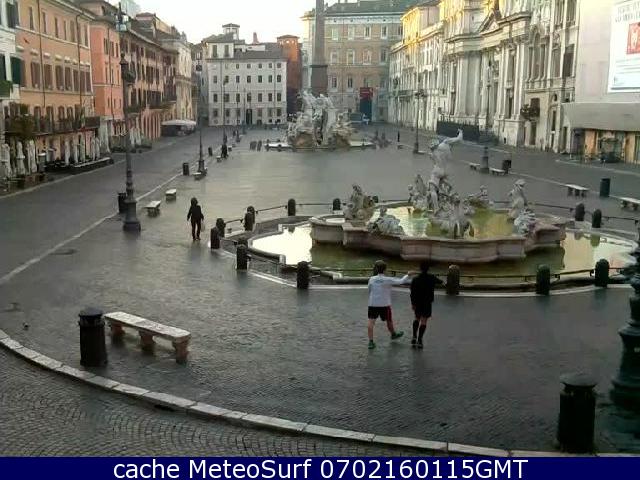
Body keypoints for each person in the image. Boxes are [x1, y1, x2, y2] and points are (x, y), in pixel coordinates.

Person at [367, 260, 410, 350]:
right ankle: (393, 334)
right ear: (385, 270)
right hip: (384, 304)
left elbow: (369, 290)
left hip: (373, 303)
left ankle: (370, 342)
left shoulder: (371, 279)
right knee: (389, 320)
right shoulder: (387, 279)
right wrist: (408, 274)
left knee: (371, 322)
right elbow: (401, 281)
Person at [410, 261, 443, 349]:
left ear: (420, 269)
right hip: (427, 302)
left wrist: (413, 303)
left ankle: (414, 336)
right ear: (428, 269)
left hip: (417, 302)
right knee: (424, 321)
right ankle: (420, 340)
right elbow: (441, 282)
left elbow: (412, 293)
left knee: (416, 318)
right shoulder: (431, 278)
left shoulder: (415, 279)